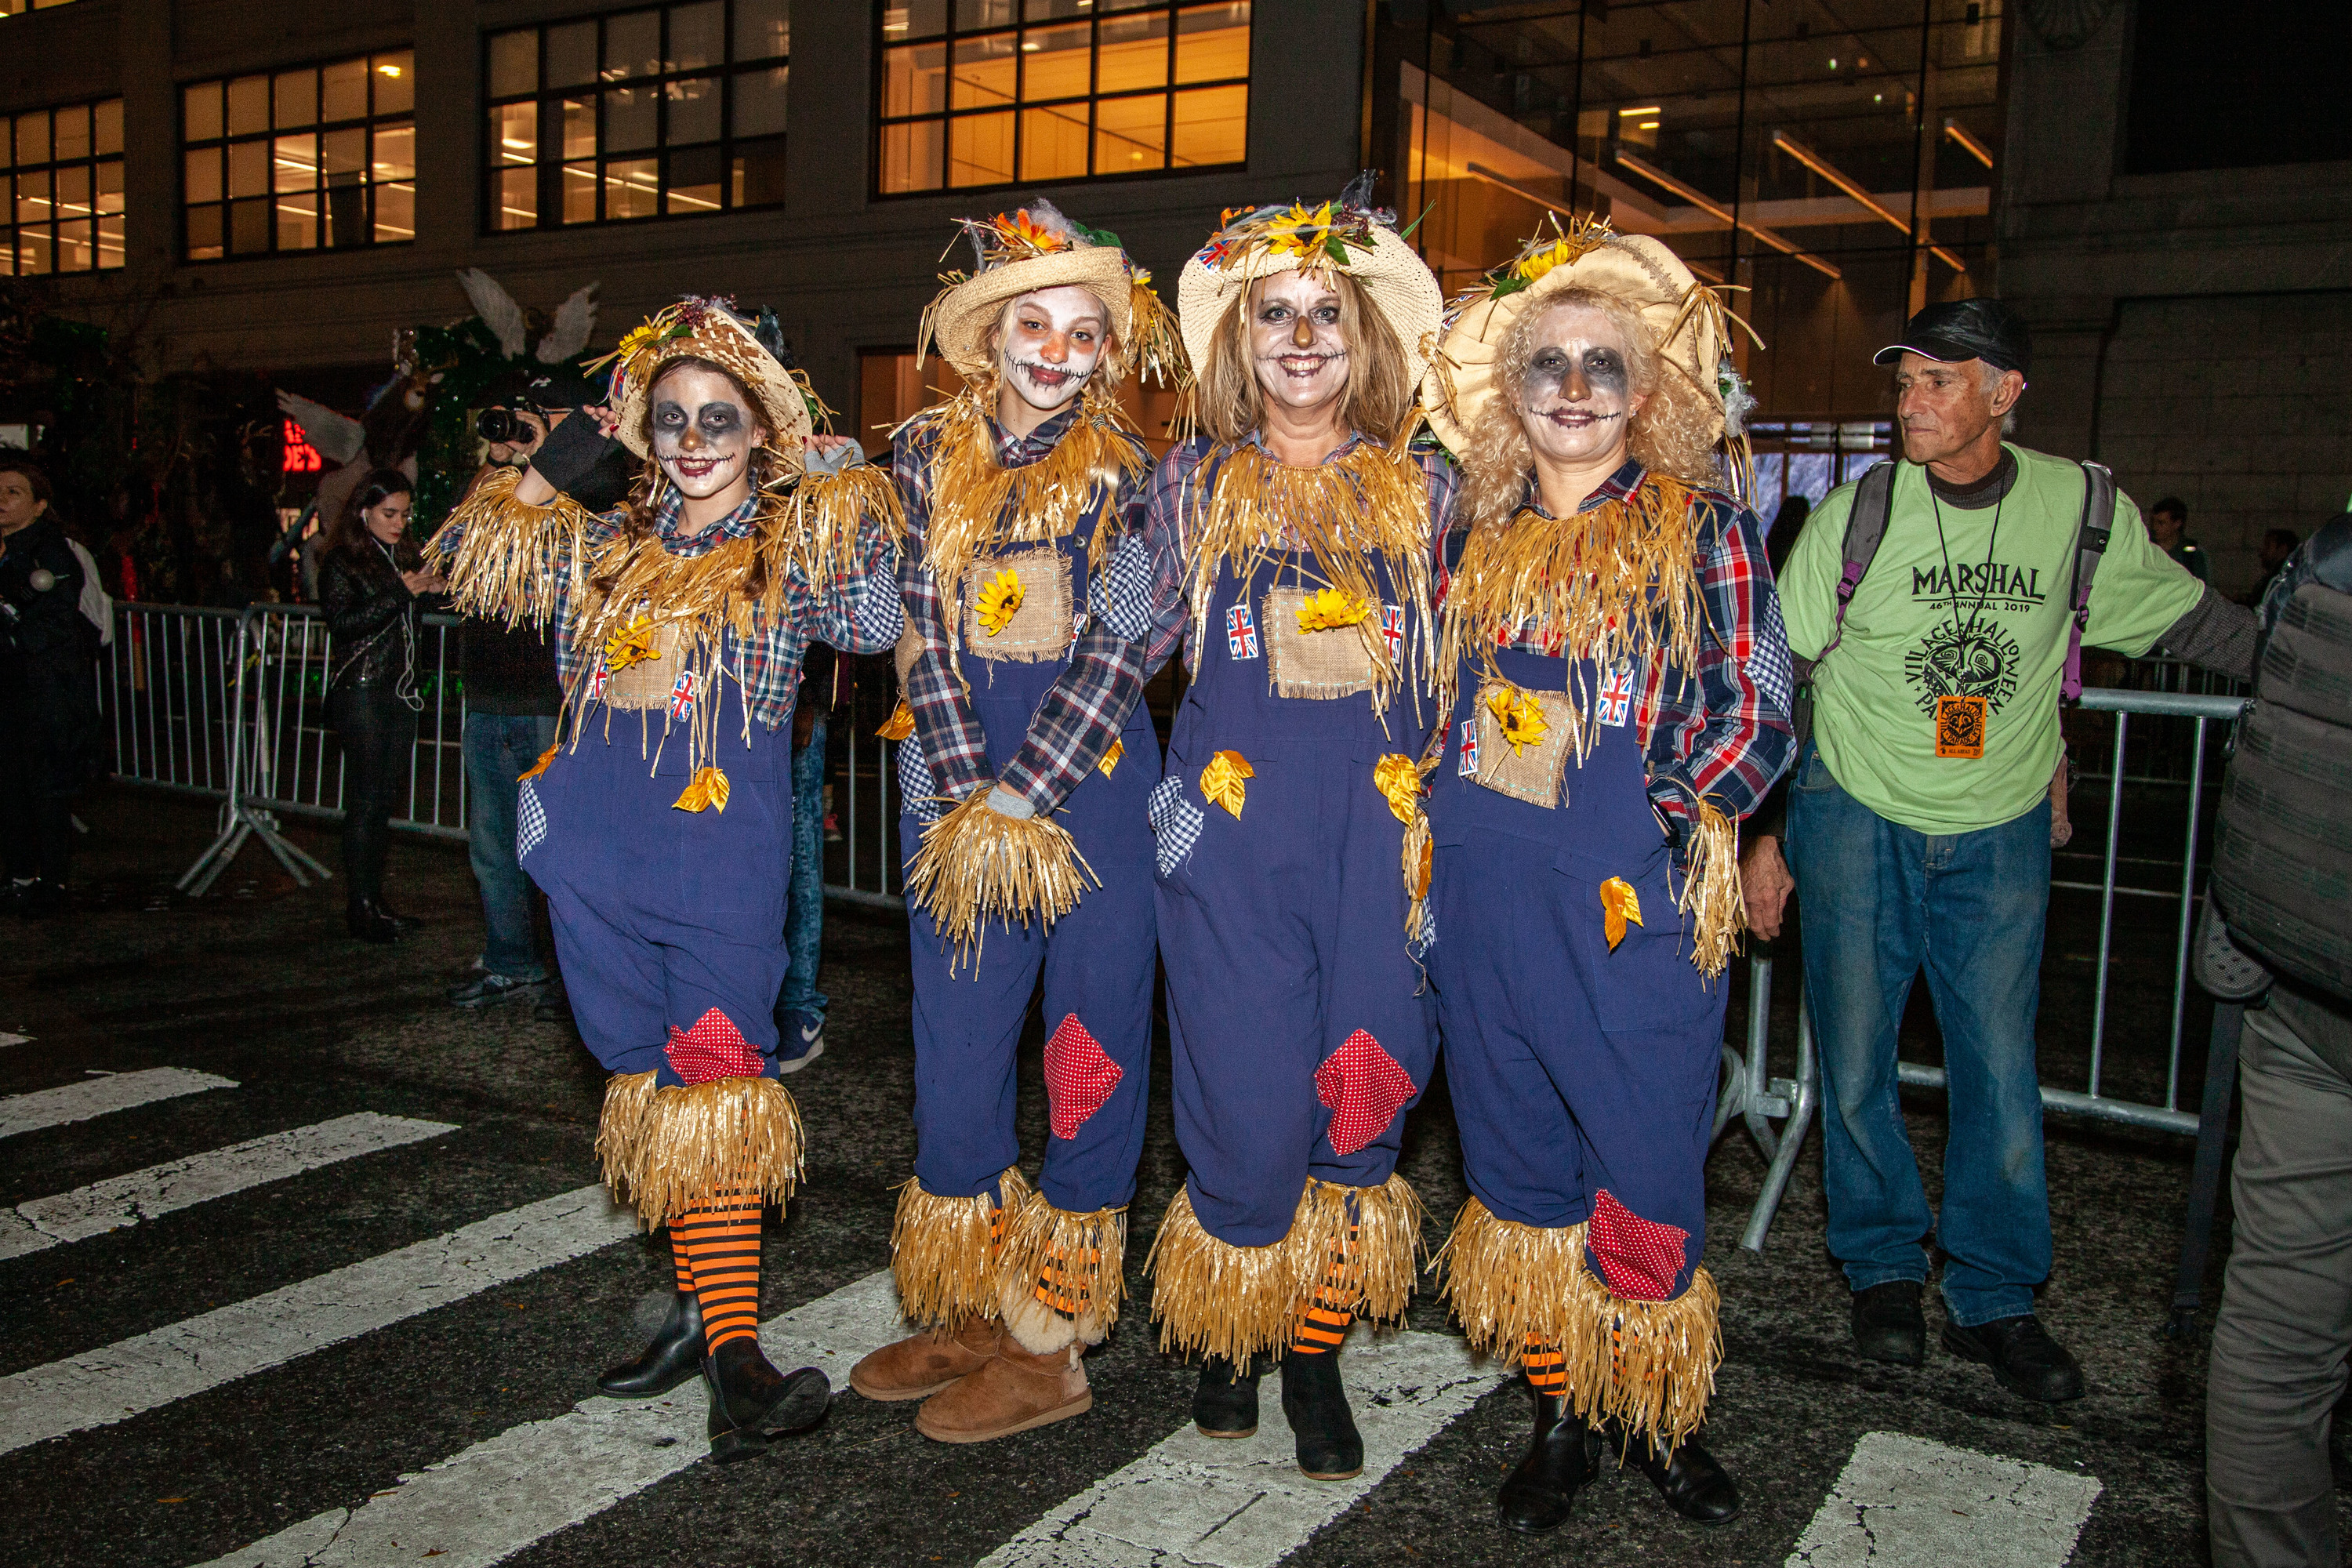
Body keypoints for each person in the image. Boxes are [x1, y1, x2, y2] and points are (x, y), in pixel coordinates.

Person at [430, 297, 905, 1461]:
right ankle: (706, 1314)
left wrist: (841, 497)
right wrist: (547, 473)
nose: (694, 439)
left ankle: (736, 1355)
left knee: (717, 1087)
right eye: (674, 418)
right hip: (590, 865)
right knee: (648, 1087)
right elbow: (462, 572)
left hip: (717, 875)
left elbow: (876, 617)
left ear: (759, 436)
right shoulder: (601, 547)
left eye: (721, 419)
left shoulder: (789, 554)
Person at [1766, 298, 2256, 1402]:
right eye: (1905, 383)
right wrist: (1767, 831)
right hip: (1858, 811)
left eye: (1940, 381)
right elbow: (1777, 669)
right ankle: (1882, 1270)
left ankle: (1994, 1292)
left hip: (1998, 828)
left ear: (2007, 391)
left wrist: (2304, 662)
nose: (1912, 404)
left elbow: (2190, 623)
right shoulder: (1866, 509)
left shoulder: (2080, 507)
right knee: (1855, 1061)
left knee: (1999, 1069)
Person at [1415, 220, 1791, 1532]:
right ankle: (1563, 1416)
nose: (1574, 388)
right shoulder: (1474, 534)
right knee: (1519, 1178)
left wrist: (1675, 811)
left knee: (1642, 1167)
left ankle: (1658, 1417)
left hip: (1625, 913)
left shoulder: (1701, 527)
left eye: (1602, 367)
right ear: (1513, 398)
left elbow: (1758, 706)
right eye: (1547, 367)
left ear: (1644, 394)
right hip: (1481, 910)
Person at [1132, 178, 1451, 1483]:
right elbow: (1110, 642)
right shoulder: (1188, 484)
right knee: (1242, 1107)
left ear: (1365, 339)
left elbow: (1504, 651)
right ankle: (1228, 1329)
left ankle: (1314, 1348)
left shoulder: (1431, 494)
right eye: (1277, 313)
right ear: (1240, 341)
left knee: (1364, 1094)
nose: (1305, 335)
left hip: (1381, 856)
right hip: (1234, 856)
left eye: (1329, 312)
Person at [851, 201, 1181, 1444]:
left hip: (1088, 805)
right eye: (1031, 324)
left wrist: (1024, 792)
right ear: (991, 336)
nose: (1054, 349)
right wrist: (961, 787)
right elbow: (913, 631)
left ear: (1110, 349)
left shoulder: (1136, 477)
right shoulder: (921, 463)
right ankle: (976, 1308)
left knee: (1089, 1065)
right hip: (956, 805)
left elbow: (1123, 644)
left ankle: (1052, 1344)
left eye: (1081, 332)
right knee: (957, 1066)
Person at [318, 470, 442, 943]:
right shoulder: (343, 561)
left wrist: (431, 591)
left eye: (405, 514)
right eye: (390, 513)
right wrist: (403, 593)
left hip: (399, 691)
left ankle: (373, 901)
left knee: (382, 800)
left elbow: (411, 617)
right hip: (363, 692)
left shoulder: (400, 557)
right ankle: (362, 905)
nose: (399, 523)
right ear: (364, 511)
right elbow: (345, 624)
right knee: (367, 802)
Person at [0, 457, 101, 917]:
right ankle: (20, 874)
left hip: (46, 688)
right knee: (11, 785)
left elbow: (60, 618)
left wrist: (19, 629)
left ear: (40, 505)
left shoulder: (52, 552)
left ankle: (52, 880)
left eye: (13, 493)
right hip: (10, 686)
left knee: (46, 786)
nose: (1, 502)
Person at [774, 644, 836, 1070]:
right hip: (741, 706)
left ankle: (799, 1008)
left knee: (799, 853)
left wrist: (808, 698)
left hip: (794, 701)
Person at [2147, 495, 2209, 583]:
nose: (2155, 527)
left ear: (2177, 524)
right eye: (2153, 522)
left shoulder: (2194, 554)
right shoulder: (2146, 548)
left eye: (2161, 523)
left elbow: (2204, 587)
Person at [2245, 525, 2299, 607]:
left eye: (2268, 546)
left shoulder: (2282, 580)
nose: (2262, 552)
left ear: (2282, 549)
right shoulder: (2277, 577)